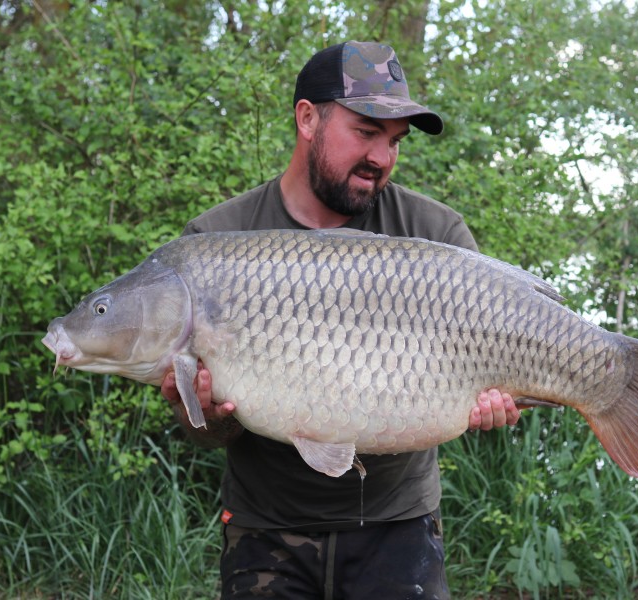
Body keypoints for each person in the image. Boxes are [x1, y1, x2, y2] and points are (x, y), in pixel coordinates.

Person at [161, 40, 521, 599]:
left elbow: (489, 381)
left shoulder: (435, 233)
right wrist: (202, 412)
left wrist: (500, 402)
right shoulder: (215, 243)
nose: (382, 157)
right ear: (308, 118)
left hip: (398, 528)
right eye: (365, 131)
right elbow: (204, 435)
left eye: (394, 141)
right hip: (266, 530)